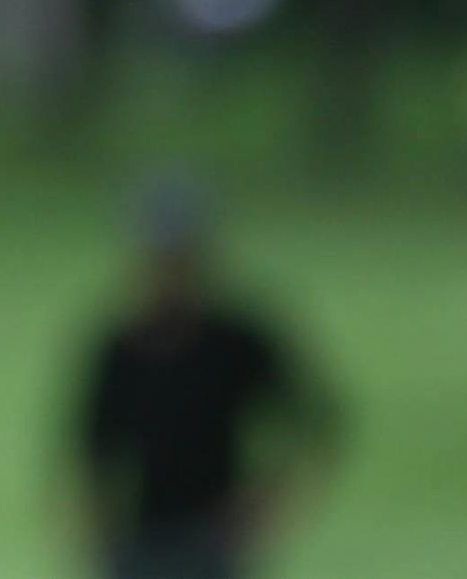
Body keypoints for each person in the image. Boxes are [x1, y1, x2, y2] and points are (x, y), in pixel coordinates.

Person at [71, 175, 340, 579]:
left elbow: (313, 422)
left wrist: (267, 502)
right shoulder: (120, 349)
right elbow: (92, 452)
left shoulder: (237, 343)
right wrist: (97, 534)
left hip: (213, 537)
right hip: (138, 539)